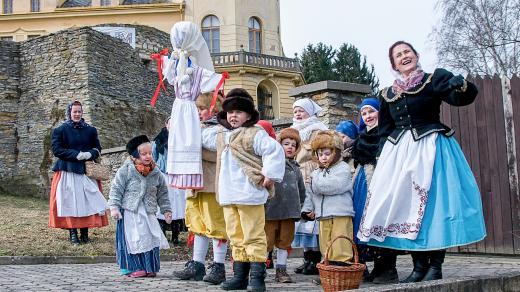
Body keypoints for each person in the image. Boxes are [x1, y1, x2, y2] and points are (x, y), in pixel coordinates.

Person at [357, 41, 486, 282]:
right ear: (394, 64)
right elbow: (385, 130)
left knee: (435, 206)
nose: (404, 56)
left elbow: (461, 98)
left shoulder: (433, 79)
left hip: (432, 149)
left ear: (416, 55)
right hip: (400, 156)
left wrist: (463, 86)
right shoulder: (387, 94)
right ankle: (418, 267)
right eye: (398, 55)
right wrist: (383, 157)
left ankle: (435, 266)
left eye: (407, 52)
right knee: (405, 208)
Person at [202, 88, 285, 291]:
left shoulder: (255, 134)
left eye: (238, 112)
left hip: (249, 193)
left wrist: (270, 175)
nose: (234, 116)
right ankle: (240, 276)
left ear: (248, 115)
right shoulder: (221, 135)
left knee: (253, 235)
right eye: (230, 112)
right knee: (236, 236)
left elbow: (274, 151)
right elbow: (202, 137)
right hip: (229, 194)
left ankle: (257, 278)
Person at [162, 21, 226, 190]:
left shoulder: (189, 68)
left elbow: (212, 81)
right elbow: (215, 82)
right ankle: (183, 178)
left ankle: (187, 177)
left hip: (184, 107)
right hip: (183, 108)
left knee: (187, 140)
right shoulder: (177, 64)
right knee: (184, 139)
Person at [173, 92, 228, 285]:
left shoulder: (221, 129)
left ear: (214, 109)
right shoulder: (196, 128)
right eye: (197, 109)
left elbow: (218, 152)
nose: (198, 112)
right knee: (197, 225)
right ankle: (197, 264)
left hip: (211, 184)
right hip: (194, 182)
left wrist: (192, 144)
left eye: (202, 108)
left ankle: (218, 265)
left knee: (216, 225)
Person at [109, 135, 172, 278]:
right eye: (144, 154)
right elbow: (116, 189)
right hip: (130, 211)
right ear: (135, 155)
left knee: (150, 238)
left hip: (148, 212)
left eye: (150, 153)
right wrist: (114, 207)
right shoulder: (126, 170)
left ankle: (150, 267)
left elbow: (162, 193)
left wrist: (166, 210)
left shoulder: (156, 173)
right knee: (134, 239)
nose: (148, 156)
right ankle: (134, 266)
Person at [350, 97, 398, 284]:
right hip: (363, 181)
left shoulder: (386, 135)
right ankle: (376, 268)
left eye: (371, 111)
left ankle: (387, 269)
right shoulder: (362, 137)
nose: (368, 116)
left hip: (380, 181)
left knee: (380, 223)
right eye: (364, 113)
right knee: (363, 222)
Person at [49, 100, 108, 245]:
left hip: (86, 171)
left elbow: (97, 148)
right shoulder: (61, 130)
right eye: (74, 111)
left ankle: (85, 233)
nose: (77, 114)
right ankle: (73, 233)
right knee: (71, 203)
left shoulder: (90, 130)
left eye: (79, 111)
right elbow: (57, 150)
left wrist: (89, 154)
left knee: (87, 202)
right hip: (68, 170)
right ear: (69, 112)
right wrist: (76, 155)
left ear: (82, 112)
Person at [301, 130, 354, 270]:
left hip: (340, 213)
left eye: (327, 153)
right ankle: (329, 270)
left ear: (336, 152)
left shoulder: (343, 168)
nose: (323, 157)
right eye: (320, 154)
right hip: (322, 215)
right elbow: (310, 193)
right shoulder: (316, 173)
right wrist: (307, 209)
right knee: (326, 244)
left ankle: (342, 268)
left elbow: (335, 186)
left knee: (341, 242)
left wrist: (314, 184)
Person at [290, 97, 328, 275]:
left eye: (301, 111)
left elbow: (315, 152)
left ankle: (315, 258)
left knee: (312, 216)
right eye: (295, 111)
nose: (297, 114)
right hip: (298, 174)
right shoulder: (294, 130)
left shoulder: (317, 130)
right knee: (301, 217)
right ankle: (306, 257)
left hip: (311, 172)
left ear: (310, 112)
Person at [264, 127, 306, 283]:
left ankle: (281, 270)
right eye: (286, 143)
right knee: (266, 241)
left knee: (285, 241)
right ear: (279, 145)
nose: (290, 147)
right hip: (271, 211)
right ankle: (259, 268)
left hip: (290, 213)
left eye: (293, 145)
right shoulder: (271, 163)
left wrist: (302, 206)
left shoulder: (296, 169)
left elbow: (301, 190)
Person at [152, 118, 187, 245]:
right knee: (161, 204)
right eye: (170, 122)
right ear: (166, 124)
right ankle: (163, 235)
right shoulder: (158, 140)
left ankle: (175, 236)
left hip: (177, 176)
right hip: (163, 175)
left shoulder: (182, 140)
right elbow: (154, 158)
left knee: (177, 207)